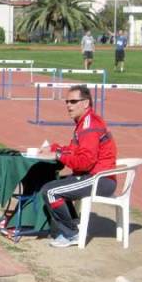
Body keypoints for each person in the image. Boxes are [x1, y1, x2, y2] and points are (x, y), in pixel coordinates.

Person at [36, 85, 118, 248]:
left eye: (73, 101)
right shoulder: (83, 123)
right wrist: (54, 149)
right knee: (55, 183)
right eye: (67, 101)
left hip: (100, 179)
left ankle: (71, 233)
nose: (68, 105)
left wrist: (58, 155)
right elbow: (74, 151)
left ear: (86, 103)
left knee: (50, 191)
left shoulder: (89, 126)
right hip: (93, 176)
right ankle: (74, 226)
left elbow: (85, 162)